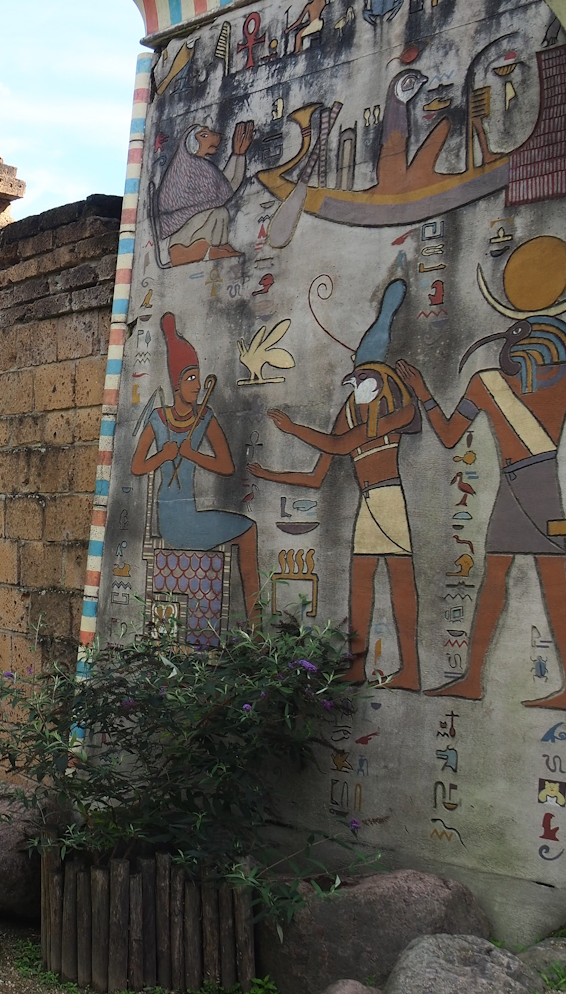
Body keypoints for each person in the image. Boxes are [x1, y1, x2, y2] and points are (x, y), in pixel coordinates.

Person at [397, 312, 566, 710]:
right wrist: (424, 393)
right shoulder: (487, 382)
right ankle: (472, 678)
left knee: (552, 580)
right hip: (514, 485)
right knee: (496, 579)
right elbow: (452, 436)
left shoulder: (565, 378)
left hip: (540, 488)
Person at [249, 281, 422, 686]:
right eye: (355, 378)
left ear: (379, 379)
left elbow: (340, 444)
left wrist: (293, 429)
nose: (355, 385)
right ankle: (358, 666)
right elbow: (315, 475)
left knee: (398, 581)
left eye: (363, 377)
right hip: (369, 504)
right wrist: (267, 474)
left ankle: (411, 670)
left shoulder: (396, 410)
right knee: (360, 581)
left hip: (389, 500)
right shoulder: (352, 413)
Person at [131, 312, 260, 620]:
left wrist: (191, 454)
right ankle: (255, 626)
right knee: (248, 531)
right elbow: (137, 466)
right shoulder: (159, 418)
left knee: (249, 529)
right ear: (177, 383)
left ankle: (256, 624)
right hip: (173, 517)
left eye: (198, 378)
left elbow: (226, 465)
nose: (197, 385)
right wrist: (164, 455)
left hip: (192, 513)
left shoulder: (204, 417)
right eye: (190, 378)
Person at [155, 121, 254, 266]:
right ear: (192, 144)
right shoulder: (188, 167)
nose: (213, 137)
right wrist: (238, 155)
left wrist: (238, 155)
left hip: (194, 226)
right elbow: (225, 191)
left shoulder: (200, 165)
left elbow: (224, 188)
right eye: (204, 136)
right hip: (183, 237)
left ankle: (219, 246)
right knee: (217, 212)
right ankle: (212, 248)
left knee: (221, 212)